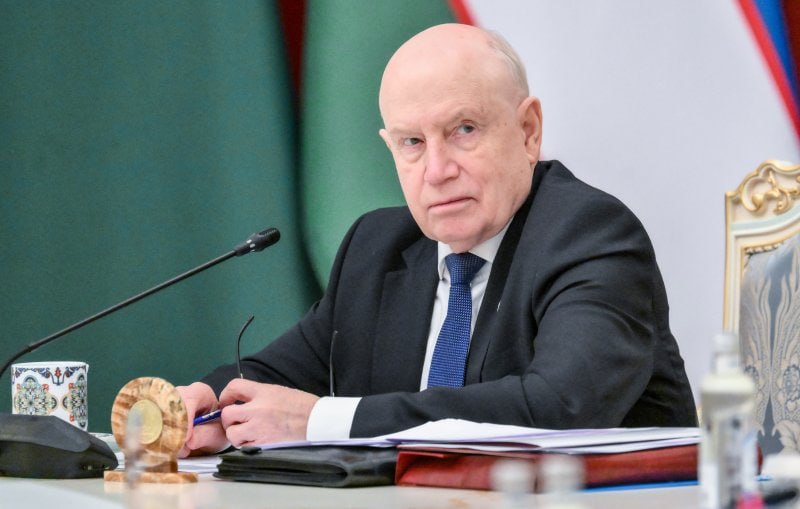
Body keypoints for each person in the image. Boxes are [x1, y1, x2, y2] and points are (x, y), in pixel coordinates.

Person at [177, 23, 697, 456]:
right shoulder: (378, 246)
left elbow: (560, 406)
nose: (437, 170)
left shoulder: (589, 234)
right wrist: (209, 403)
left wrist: (320, 420)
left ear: (528, 131)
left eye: (463, 129)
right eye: (412, 142)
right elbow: (281, 371)